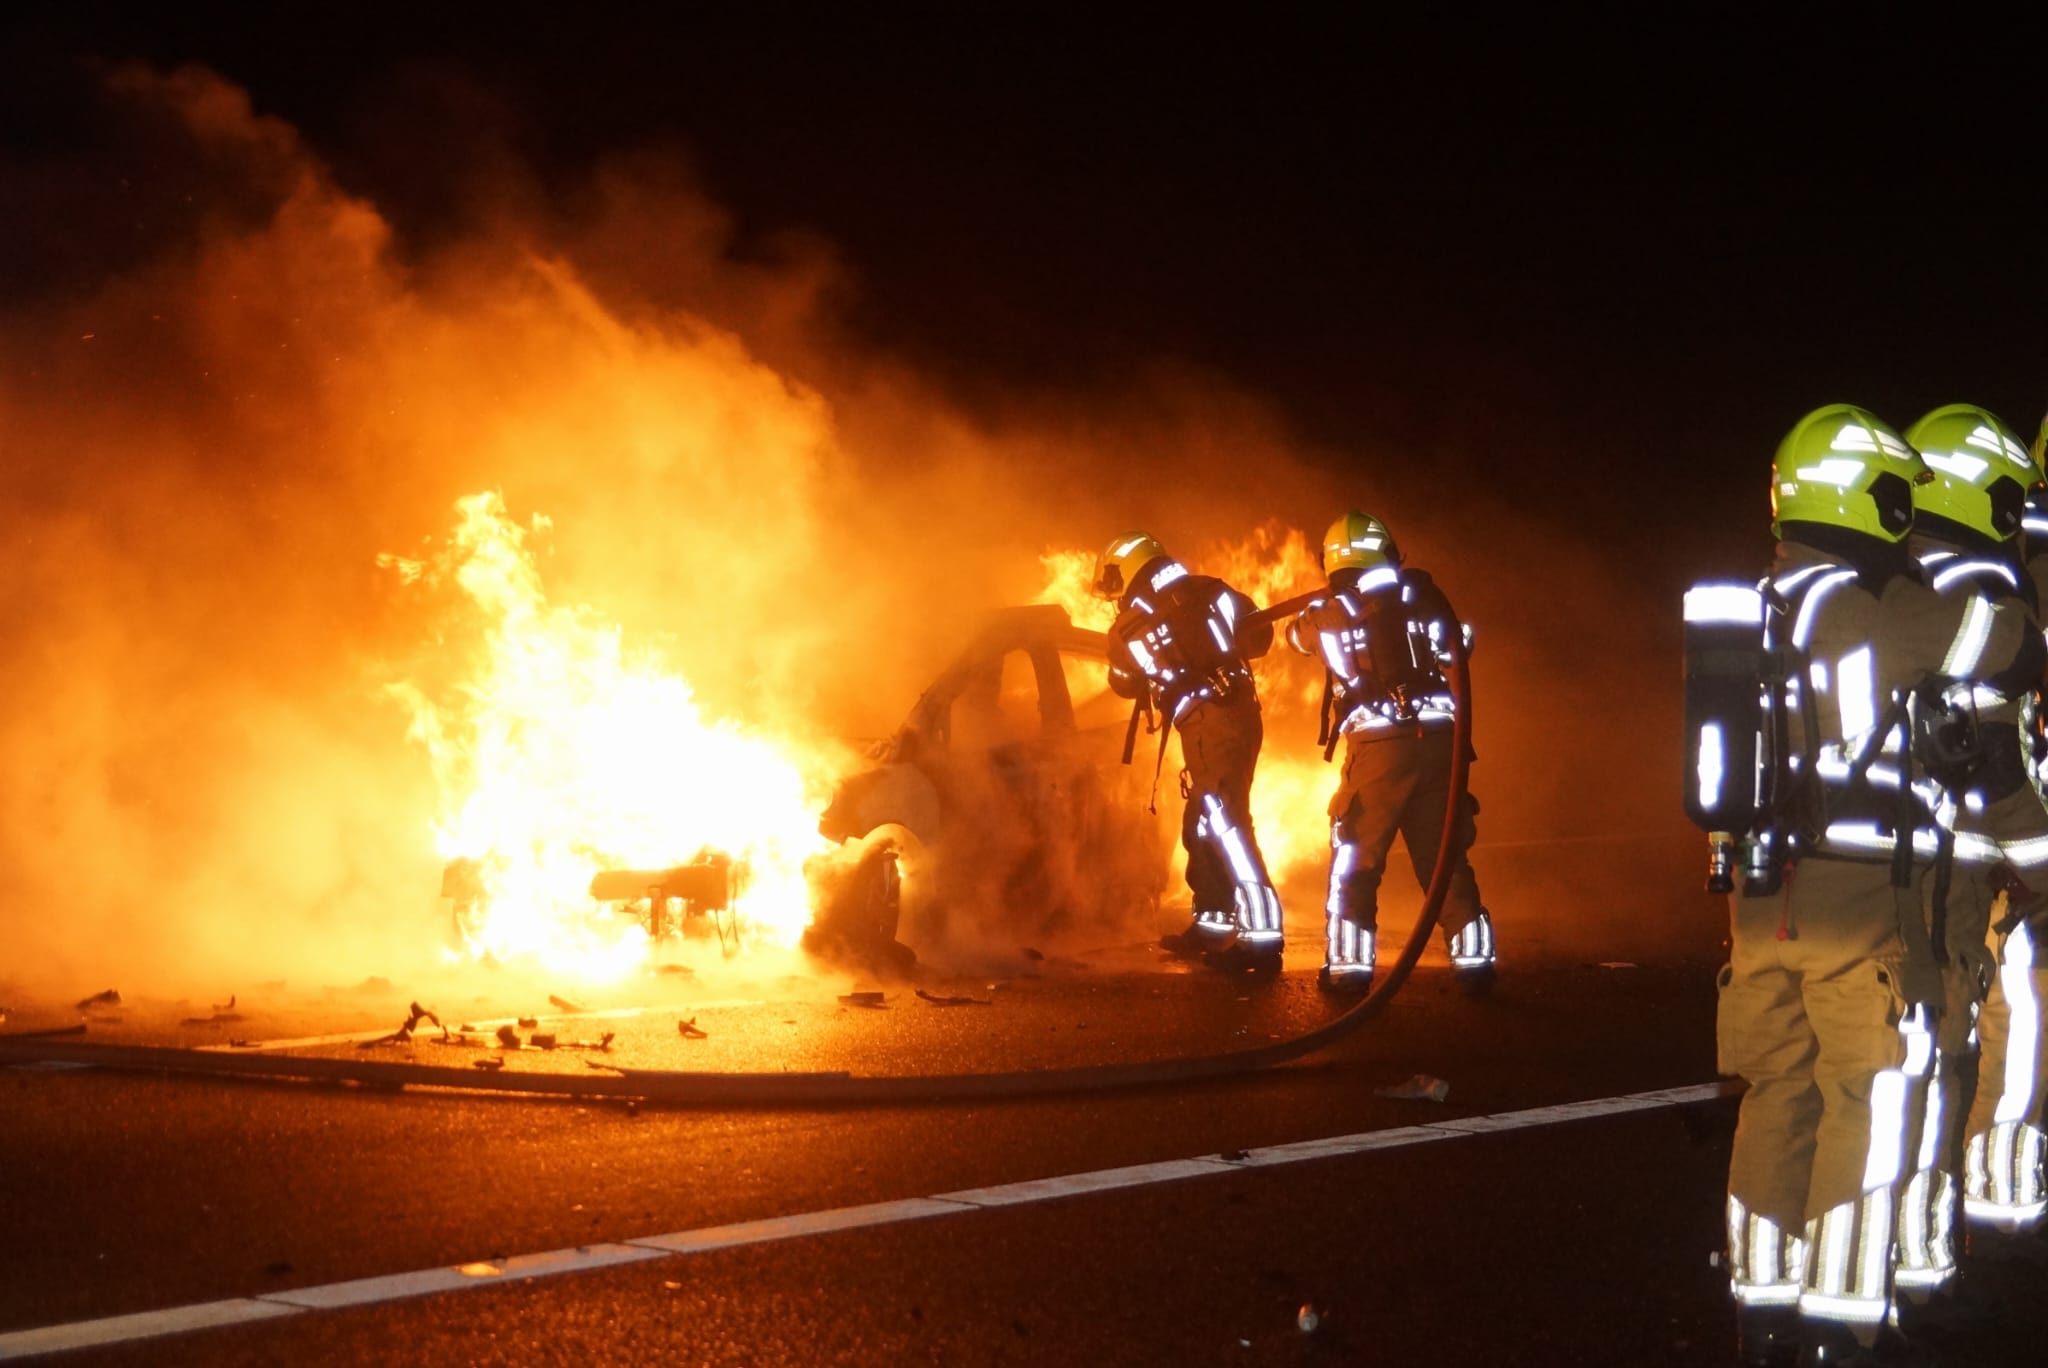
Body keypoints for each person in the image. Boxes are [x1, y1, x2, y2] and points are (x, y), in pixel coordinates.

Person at [1712, 404, 2042, 1366]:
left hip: (1766, 901)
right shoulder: (1877, 610)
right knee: (1873, 1098)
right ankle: (1844, 1326)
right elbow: (2011, 639)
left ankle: (1764, 1313)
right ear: (1864, 498)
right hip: (1863, 898)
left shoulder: (1762, 606)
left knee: (1779, 1097)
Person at [1893, 402, 2048, 1305]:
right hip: (1976, 828)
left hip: (1918, 848)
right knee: (2016, 998)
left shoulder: (1910, 578)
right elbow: (2003, 739)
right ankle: (2005, 1188)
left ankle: (1923, 1239)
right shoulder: (1985, 583)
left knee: (1930, 1036)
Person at [1283, 512, 1493, 995]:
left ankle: (1348, 971)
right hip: (1443, 741)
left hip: (1380, 746)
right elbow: (1462, 644)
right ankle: (1475, 960)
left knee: (1356, 856)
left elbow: (1295, 638)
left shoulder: (1330, 611)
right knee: (1443, 858)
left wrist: (1322, 607)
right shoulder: (1423, 595)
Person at [1093, 531, 1282, 966]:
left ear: (1125, 571)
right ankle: (1213, 918)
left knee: (1225, 823)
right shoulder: (1213, 589)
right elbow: (1261, 638)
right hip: (1241, 714)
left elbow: (1123, 684)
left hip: (1207, 723)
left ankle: (1263, 936)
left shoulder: (1129, 625)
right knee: (1201, 820)